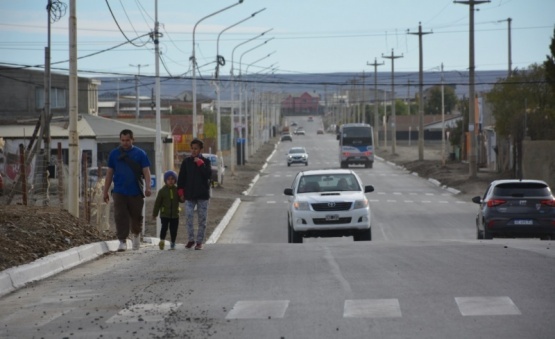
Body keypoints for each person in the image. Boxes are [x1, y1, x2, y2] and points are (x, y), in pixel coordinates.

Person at [103, 129, 152, 252]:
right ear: (120, 140)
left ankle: (136, 235)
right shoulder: (114, 154)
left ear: (132, 140)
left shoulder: (140, 154)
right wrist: (105, 191)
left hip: (135, 191)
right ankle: (122, 241)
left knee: (136, 217)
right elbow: (109, 173)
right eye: (123, 140)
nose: (125, 143)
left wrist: (148, 187)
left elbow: (146, 171)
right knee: (120, 215)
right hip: (119, 191)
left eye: (127, 140)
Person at [177, 138, 212, 250]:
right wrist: (181, 192)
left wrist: (200, 164)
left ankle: (199, 242)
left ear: (200, 149)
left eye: (196, 148)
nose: (193, 151)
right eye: (192, 148)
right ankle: (191, 240)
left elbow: (208, 175)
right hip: (189, 195)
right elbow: (181, 179)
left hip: (202, 195)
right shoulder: (186, 162)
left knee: (202, 219)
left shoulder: (206, 162)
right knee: (188, 216)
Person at [152, 170, 182, 250]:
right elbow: (157, 203)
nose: (170, 181)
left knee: (174, 230)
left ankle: (173, 243)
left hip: (175, 214)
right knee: (164, 228)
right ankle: (162, 241)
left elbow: (181, 200)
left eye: (172, 179)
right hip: (165, 214)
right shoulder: (162, 191)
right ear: (165, 180)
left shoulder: (177, 190)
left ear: (175, 180)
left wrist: (183, 197)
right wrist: (154, 214)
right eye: (168, 179)